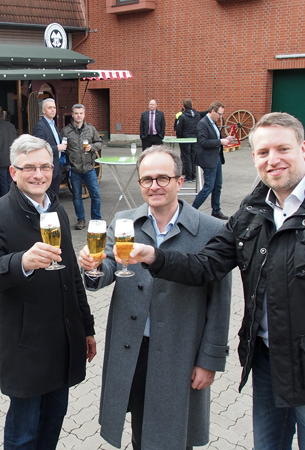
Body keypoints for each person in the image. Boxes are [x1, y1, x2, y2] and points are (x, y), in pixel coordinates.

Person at [120, 112, 305, 450]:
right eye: (262, 153)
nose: (272, 160)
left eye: (282, 149)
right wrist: (154, 256)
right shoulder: (253, 211)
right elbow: (207, 265)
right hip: (268, 363)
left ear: (303, 149)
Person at [78, 145, 231, 450]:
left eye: (163, 178)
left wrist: (210, 360)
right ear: (139, 184)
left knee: (177, 434)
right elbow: (109, 266)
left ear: (180, 180)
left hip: (182, 352)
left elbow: (220, 303)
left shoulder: (212, 230)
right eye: (147, 179)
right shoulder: (124, 221)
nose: (154, 186)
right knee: (140, 431)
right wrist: (93, 268)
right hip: (133, 349)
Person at [0, 134, 97, 450]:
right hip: (26, 345)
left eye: (44, 167)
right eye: (29, 168)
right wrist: (22, 262)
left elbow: (71, 275)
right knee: (24, 433)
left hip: (63, 339)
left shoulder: (57, 211)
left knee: (53, 423)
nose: (38, 175)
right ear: (14, 172)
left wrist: (87, 328)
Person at [61, 104, 103, 230]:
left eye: (81, 113)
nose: (78, 115)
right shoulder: (66, 130)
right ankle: (81, 220)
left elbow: (99, 142)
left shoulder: (90, 129)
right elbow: (63, 148)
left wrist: (93, 147)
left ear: (84, 115)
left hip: (89, 168)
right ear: (72, 115)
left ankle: (96, 220)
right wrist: (66, 164)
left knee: (95, 195)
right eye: (76, 113)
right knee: (77, 196)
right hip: (75, 169)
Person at [192, 102, 234, 220]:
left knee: (217, 186)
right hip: (208, 159)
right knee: (208, 186)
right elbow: (203, 142)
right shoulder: (203, 124)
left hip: (217, 158)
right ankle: (192, 210)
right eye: (220, 114)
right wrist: (220, 142)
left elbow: (215, 138)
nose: (221, 117)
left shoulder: (214, 123)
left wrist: (225, 139)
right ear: (213, 111)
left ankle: (216, 210)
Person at [32, 98, 67, 195]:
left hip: (57, 167)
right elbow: (38, 148)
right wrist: (57, 148)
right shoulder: (40, 126)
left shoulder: (53, 124)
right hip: (47, 168)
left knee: (54, 197)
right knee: (47, 197)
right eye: (50, 108)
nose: (53, 110)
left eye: (54, 107)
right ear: (43, 110)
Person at [174, 99, 202, 181]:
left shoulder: (182, 116)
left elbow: (178, 128)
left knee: (186, 157)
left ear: (184, 107)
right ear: (192, 105)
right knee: (193, 156)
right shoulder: (197, 115)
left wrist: (179, 138)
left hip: (185, 139)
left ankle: (188, 176)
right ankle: (194, 175)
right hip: (195, 139)